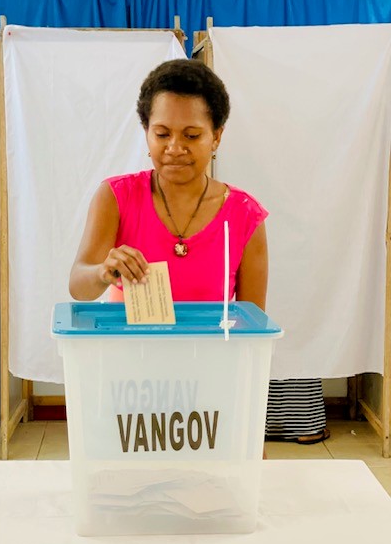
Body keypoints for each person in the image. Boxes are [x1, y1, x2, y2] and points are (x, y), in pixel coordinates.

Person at [69, 58, 328, 445]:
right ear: (145, 132)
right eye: (161, 134)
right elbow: (78, 285)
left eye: (191, 135)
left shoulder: (244, 217)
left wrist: (246, 428)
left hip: (209, 387)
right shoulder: (116, 198)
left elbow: (251, 330)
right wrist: (104, 270)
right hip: (129, 381)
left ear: (217, 136)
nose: (175, 148)